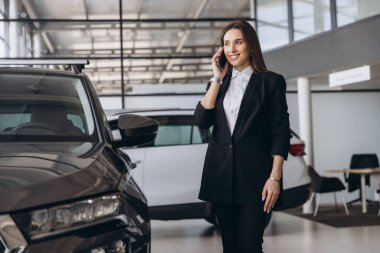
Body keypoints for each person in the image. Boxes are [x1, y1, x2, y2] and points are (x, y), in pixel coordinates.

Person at [194, 19, 291, 253]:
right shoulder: (219, 83)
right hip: (221, 176)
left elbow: (280, 131)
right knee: (230, 246)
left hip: (256, 179)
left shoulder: (271, 81)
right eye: (226, 44)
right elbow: (202, 121)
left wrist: (274, 178)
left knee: (250, 246)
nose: (232, 49)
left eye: (238, 42)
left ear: (251, 46)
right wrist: (216, 77)